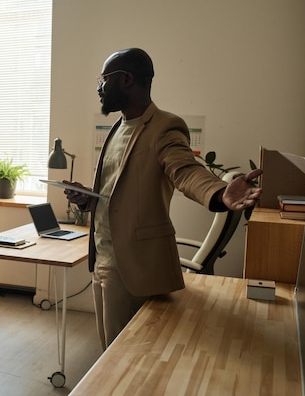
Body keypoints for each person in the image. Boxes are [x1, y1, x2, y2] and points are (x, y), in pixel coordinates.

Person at [64, 48, 263, 350]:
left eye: (104, 79)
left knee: (125, 358)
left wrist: (219, 193)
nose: (98, 87)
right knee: (108, 352)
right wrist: (87, 198)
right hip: (103, 258)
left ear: (126, 79)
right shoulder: (117, 127)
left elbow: (185, 170)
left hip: (132, 266)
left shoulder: (164, 127)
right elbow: (115, 195)